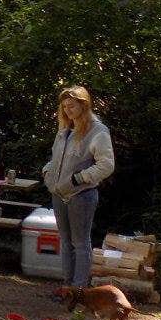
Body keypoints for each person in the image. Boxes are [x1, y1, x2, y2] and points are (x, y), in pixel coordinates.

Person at [42, 86, 115, 288]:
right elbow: (56, 158)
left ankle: (79, 289)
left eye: (72, 106)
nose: (68, 110)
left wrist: (80, 178)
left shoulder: (98, 130)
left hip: (81, 195)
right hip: (58, 194)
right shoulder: (64, 129)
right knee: (65, 243)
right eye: (64, 107)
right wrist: (47, 172)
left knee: (80, 243)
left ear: (84, 104)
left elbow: (107, 165)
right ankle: (67, 288)